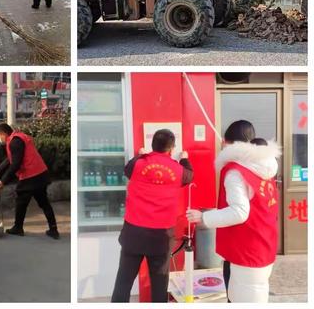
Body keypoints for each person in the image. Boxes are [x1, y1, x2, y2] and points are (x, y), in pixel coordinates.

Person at [186, 120, 280, 303]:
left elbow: (239, 212)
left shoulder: (236, 172)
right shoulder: (264, 167)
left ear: (228, 143)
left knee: (244, 298)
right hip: (263, 244)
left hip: (246, 249)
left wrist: (203, 217)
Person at [111, 129, 194, 302]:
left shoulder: (137, 165)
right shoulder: (179, 171)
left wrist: (140, 155)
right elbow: (190, 175)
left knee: (124, 281)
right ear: (172, 149)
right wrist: (184, 158)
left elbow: (127, 169)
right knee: (159, 283)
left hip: (134, 233)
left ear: (152, 145)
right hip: (161, 237)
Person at [0, 123, 59, 239]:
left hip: (30, 176)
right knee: (44, 202)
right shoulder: (18, 137)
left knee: (21, 202)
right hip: (40, 173)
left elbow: (15, 164)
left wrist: (3, 181)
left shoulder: (15, 142)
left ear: (4, 134)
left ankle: (18, 228)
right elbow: (10, 159)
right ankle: (53, 229)